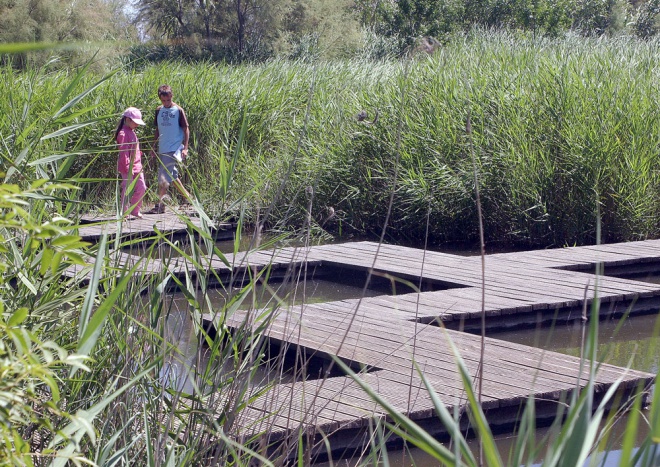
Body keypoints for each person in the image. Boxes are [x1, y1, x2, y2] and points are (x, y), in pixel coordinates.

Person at [148, 84, 191, 214]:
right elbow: (157, 129)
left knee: (163, 176)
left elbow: (186, 129)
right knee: (171, 176)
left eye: (168, 100)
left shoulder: (178, 110)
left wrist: (186, 147)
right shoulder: (158, 110)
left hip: (174, 147)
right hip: (163, 147)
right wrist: (153, 146)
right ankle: (188, 198)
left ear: (172, 96)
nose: (166, 103)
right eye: (163, 100)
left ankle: (160, 205)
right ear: (160, 99)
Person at [115, 107, 147, 219]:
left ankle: (134, 209)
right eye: (135, 122)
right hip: (128, 167)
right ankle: (124, 212)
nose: (137, 125)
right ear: (128, 120)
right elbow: (123, 152)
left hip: (137, 165)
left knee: (142, 187)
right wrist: (128, 167)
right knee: (127, 189)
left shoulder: (132, 132)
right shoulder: (123, 133)